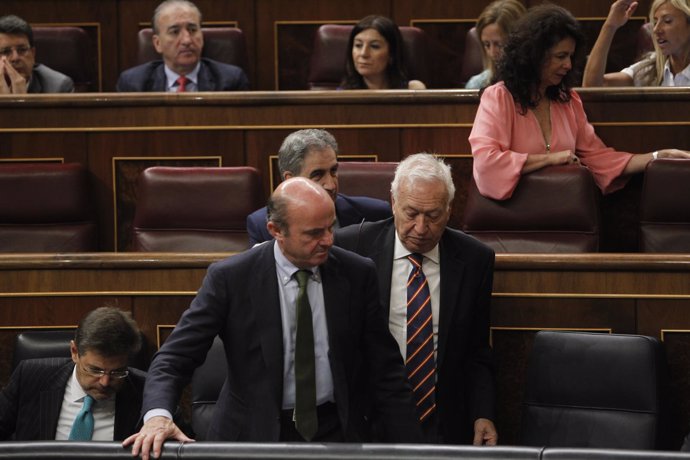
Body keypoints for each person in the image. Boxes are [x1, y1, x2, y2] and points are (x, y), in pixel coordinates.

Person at [123, 177, 423, 459]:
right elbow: (173, 359)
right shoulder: (231, 278)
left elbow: (386, 371)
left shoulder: (357, 273)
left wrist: (415, 448)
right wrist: (157, 416)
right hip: (251, 437)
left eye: (330, 227)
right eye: (314, 233)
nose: (329, 240)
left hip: (336, 433)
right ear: (275, 230)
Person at [334, 153, 497, 445]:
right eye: (411, 214)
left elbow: (477, 351)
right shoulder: (353, 246)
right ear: (393, 204)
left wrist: (483, 414)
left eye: (433, 216)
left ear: (449, 210)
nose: (421, 229)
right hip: (369, 419)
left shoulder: (475, 259)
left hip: (443, 421)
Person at [468, 3, 690, 201]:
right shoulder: (498, 97)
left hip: (565, 213)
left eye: (571, 57)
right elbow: (487, 164)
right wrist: (550, 159)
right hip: (513, 215)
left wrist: (658, 156)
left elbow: (600, 158)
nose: (568, 65)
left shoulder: (568, 100)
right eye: (560, 56)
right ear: (534, 55)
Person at [0, 307, 145, 440]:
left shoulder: (145, 391)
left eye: (117, 372)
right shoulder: (31, 377)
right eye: (95, 370)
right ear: (74, 352)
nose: (105, 382)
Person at [246, 129, 392, 246]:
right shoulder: (261, 224)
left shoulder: (374, 214)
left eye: (333, 171)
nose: (330, 184)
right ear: (290, 180)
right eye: (317, 175)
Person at [116, 0, 249, 92]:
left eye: (192, 30)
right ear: (158, 43)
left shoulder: (231, 81)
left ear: (201, 36)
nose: (187, 40)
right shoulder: (133, 84)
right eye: (174, 32)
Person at [582, 0, 690, 87]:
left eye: (667, 21)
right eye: (655, 22)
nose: (656, 29)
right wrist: (610, 26)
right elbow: (592, 86)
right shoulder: (649, 71)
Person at [340, 15, 426, 90]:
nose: (363, 54)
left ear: (392, 54)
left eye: (374, 46)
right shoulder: (341, 96)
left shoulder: (411, 90)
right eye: (358, 45)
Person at [0, 14, 74, 94]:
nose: (15, 58)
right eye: (5, 52)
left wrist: (20, 101)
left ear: (33, 53)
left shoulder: (58, 87)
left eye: (22, 50)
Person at [465, 0, 526, 90]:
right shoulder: (476, 84)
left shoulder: (540, 83)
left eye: (499, 45)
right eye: (487, 44)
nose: (492, 53)